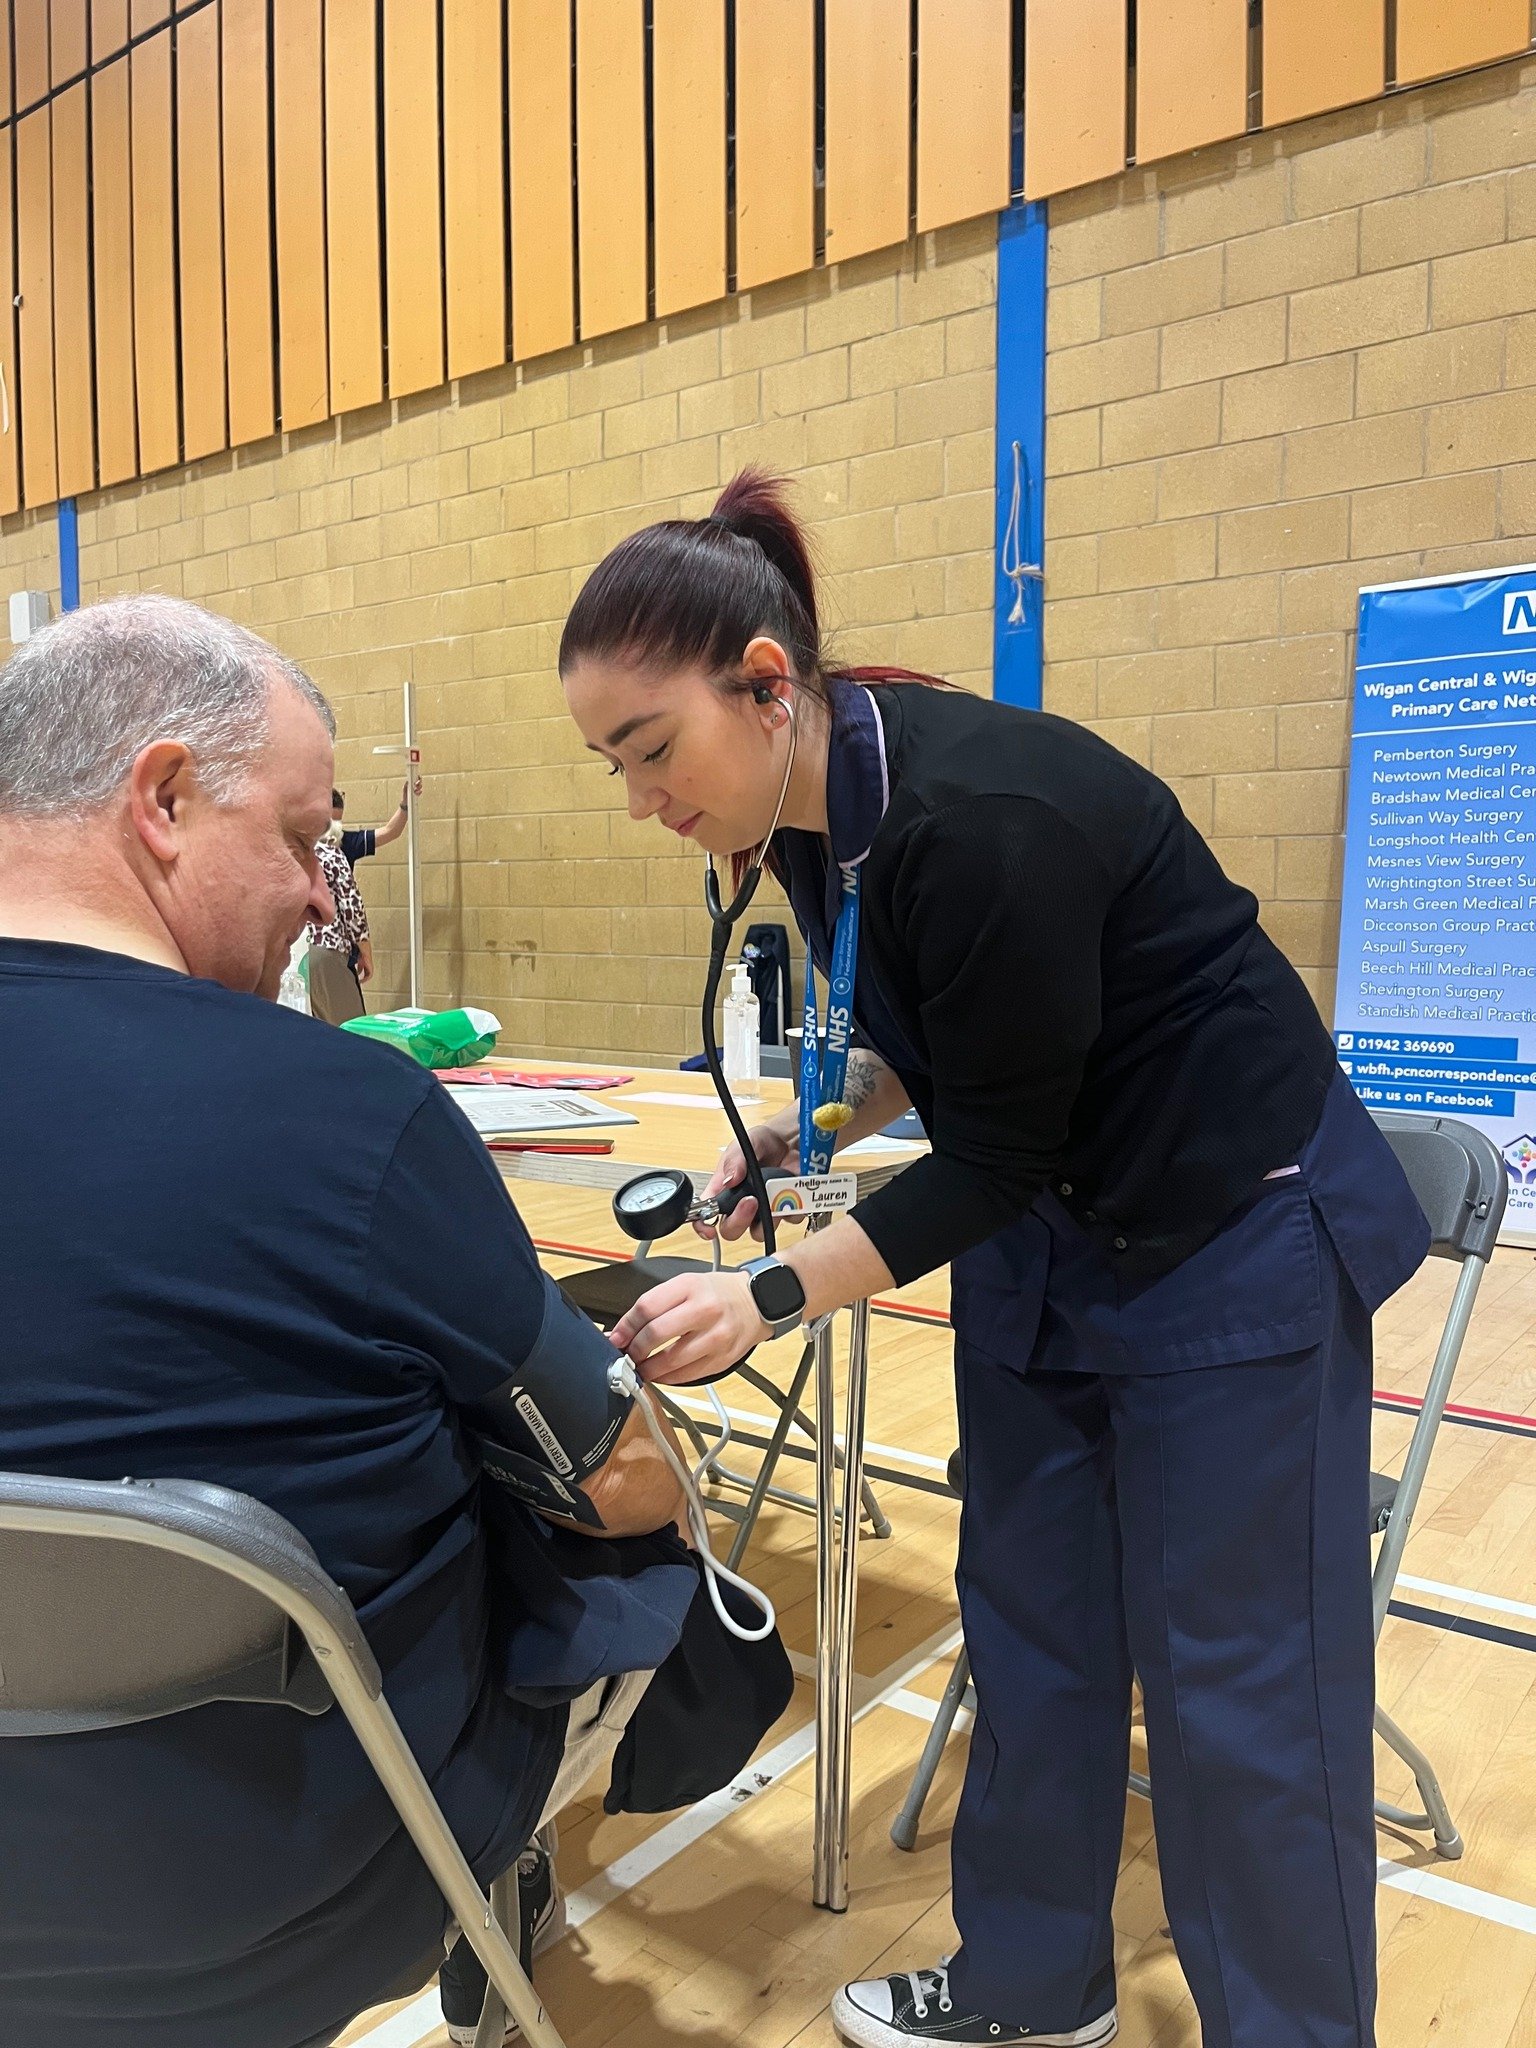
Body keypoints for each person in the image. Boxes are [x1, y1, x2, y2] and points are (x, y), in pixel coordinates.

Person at [557, 471, 1431, 2048]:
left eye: (650, 751)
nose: (641, 801)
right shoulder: (813, 817)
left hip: (1230, 1234)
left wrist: (762, 1296)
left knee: (1240, 1696)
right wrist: (801, 1132)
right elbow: (943, 1045)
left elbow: (998, 1151)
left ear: (766, 686)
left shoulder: (986, 818)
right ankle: (1036, 1989)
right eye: (611, 766)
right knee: (1031, 1631)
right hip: (1052, 1236)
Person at [0, 594, 695, 2048]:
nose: (326, 897)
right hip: (297, 1885)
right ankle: (497, 1900)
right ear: (167, 798)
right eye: (307, 839)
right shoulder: (349, 1113)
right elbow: (626, 1482)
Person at [308, 828, 372, 1019]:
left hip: (295, 954)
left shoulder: (290, 853)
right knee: (350, 1030)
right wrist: (366, 952)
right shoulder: (330, 854)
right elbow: (352, 909)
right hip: (328, 950)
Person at [334, 779, 413, 867]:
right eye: (329, 824)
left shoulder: (346, 840)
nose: (334, 829)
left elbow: (391, 831)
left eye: (337, 823)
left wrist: (406, 803)